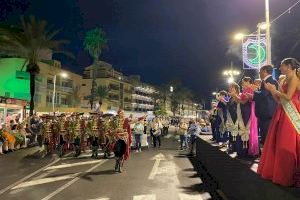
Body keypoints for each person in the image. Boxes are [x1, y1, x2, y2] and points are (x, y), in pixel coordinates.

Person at [257, 58, 300, 187]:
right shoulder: (284, 79)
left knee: (288, 142)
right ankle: (279, 171)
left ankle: (290, 172)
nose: (280, 68)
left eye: (281, 66)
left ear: (288, 66)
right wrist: (272, 91)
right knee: (278, 141)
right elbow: (279, 100)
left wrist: (273, 90)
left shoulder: (294, 79)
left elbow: (288, 97)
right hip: (281, 111)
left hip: (291, 112)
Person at [253, 65, 278, 144]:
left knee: (267, 137)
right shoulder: (265, 81)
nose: (259, 73)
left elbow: (264, 94)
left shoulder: (270, 81)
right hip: (263, 114)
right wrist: (253, 96)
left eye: (260, 71)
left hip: (267, 113)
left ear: (264, 71)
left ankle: (268, 155)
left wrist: (254, 92)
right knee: (264, 136)